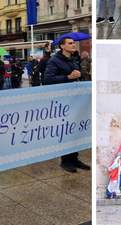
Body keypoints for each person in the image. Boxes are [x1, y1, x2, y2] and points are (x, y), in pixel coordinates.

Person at [43, 37, 90, 173]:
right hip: (63, 101)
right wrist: (68, 77)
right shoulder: (54, 61)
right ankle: (65, 160)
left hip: (75, 99)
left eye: (73, 43)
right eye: (70, 43)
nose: (73, 44)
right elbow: (48, 79)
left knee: (75, 129)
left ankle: (74, 157)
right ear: (62, 46)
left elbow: (76, 77)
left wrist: (79, 75)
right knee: (66, 130)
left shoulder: (73, 60)